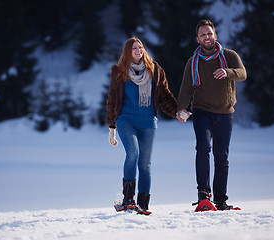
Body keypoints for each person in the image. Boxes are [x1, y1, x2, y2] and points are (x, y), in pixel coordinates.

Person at [176, 20, 247, 210]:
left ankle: (221, 200)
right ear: (197, 39)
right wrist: (181, 109)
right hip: (201, 111)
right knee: (203, 147)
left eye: (209, 33)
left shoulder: (229, 56)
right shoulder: (193, 62)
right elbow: (185, 88)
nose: (207, 37)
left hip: (225, 113)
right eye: (202, 35)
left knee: (221, 156)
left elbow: (242, 73)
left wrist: (227, 72)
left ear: (215, 35)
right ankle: (203, 196)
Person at [106, 37, 177, 214]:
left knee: (145, 164)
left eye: (141, 47)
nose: (138, 50)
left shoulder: (155, 70)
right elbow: (112, 99)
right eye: (134, 48)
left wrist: (176, 111)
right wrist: (111, 126)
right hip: (126, 120)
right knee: (133, 154)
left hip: (147, 123)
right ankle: (128, 200)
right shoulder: (119, 72)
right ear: (127, 52)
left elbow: (164, 94)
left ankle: (143, 204)